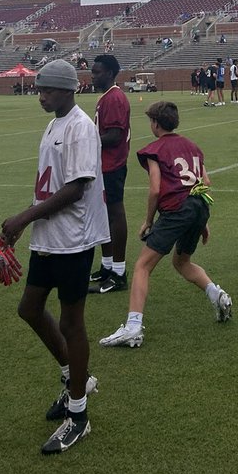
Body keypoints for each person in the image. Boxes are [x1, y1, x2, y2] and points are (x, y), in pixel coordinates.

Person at [0, 59, 109, 456]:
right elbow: (49, 183)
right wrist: (21, 223)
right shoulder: (54, 123)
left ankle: (78, 415)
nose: (40, 95)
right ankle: (74, 378)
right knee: (29, 309)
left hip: (74, 238)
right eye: (39, 89)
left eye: (47, 90)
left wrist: (25, 217)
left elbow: (78, 188)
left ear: (66, 90)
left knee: (71, 321)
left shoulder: (80, 126)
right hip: (50, 234)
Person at [99, 99, 232, 348]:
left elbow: (155, 189)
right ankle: (218, 295)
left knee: (141, 267)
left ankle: (133, 327)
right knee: (182, 262)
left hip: (177, 210)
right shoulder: (192, 146)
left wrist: (148, 221)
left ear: (155, 123)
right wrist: (201, 219)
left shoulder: (155, 150)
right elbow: (205, 182)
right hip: (198, 206)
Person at [87, 54, 131, 295]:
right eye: (92, 71)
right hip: (103, 164)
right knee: (103, 215)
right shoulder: (107, 97)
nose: (93, 76)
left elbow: (114, 135)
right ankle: (107, 266)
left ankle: (120, 271)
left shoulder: (114, 97)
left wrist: (86, 139)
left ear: (111, 73)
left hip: (112, 164)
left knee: (114, 213)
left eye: (98, 72)